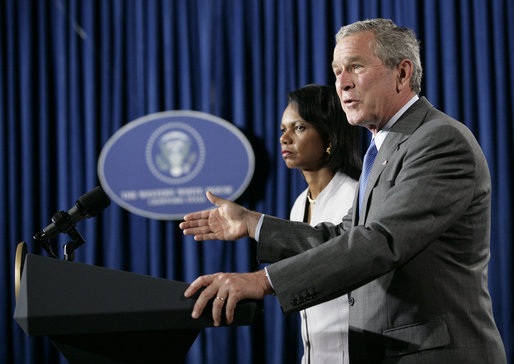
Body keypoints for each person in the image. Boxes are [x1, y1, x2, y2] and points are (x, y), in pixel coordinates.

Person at [180, 18, 507, 363]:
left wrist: (265, 281)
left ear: (403, 73)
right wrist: (253, 223)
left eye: (355, 67)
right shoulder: (383, 149)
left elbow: (382, 242)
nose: (342, 83)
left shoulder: (438, 140)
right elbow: (343, 235)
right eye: (337, 71)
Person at [280, 84, 361, 363]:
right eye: (283, 129)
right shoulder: (298, 205)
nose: (285, 138)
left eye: (299, 128)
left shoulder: (355, 197)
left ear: (328, 136)